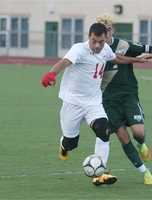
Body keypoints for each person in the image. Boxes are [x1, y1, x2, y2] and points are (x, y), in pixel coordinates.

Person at [41, 23, 148, 183]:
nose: (97, 45)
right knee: (71, 143)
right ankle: (64, 145)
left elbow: (116, 57)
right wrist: (51, 74)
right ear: (89, 37)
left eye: (101, 42)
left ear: (105, 39)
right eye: (94, 41)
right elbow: (64, 62)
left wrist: (136, 60)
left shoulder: (105, 49)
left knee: (103, 130)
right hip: (73, 102)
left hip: (93, 102)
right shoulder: (78, 49)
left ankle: (101, 172)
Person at [92, 14, 152, 186]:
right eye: (102, 29)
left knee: (138, 133)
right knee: (123, 137)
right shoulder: (94, 51)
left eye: (108, 28)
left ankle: (142, 144)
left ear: (113, 29)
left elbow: (147, 48)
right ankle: (146, 172)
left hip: (128, 96)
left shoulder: (124, 45)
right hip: (108, 101)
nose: (106, 32)